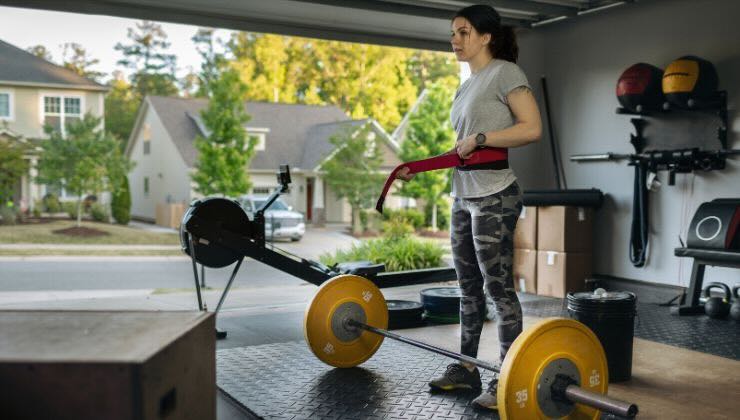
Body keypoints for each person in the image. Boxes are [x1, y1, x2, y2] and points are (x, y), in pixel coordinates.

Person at [397, 4, 542, 410]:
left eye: (463, 32)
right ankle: (466, 368)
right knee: (467, 288)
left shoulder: (506, 72)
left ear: (485, 36)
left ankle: (507, 376)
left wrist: (481, 137)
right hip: (463, 195)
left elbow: (531, 128)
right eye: (453, 33)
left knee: (499, 290)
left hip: (496, 194)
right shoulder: (467, 85)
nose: (455, 40)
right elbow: (464, 146)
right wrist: (420, 168)